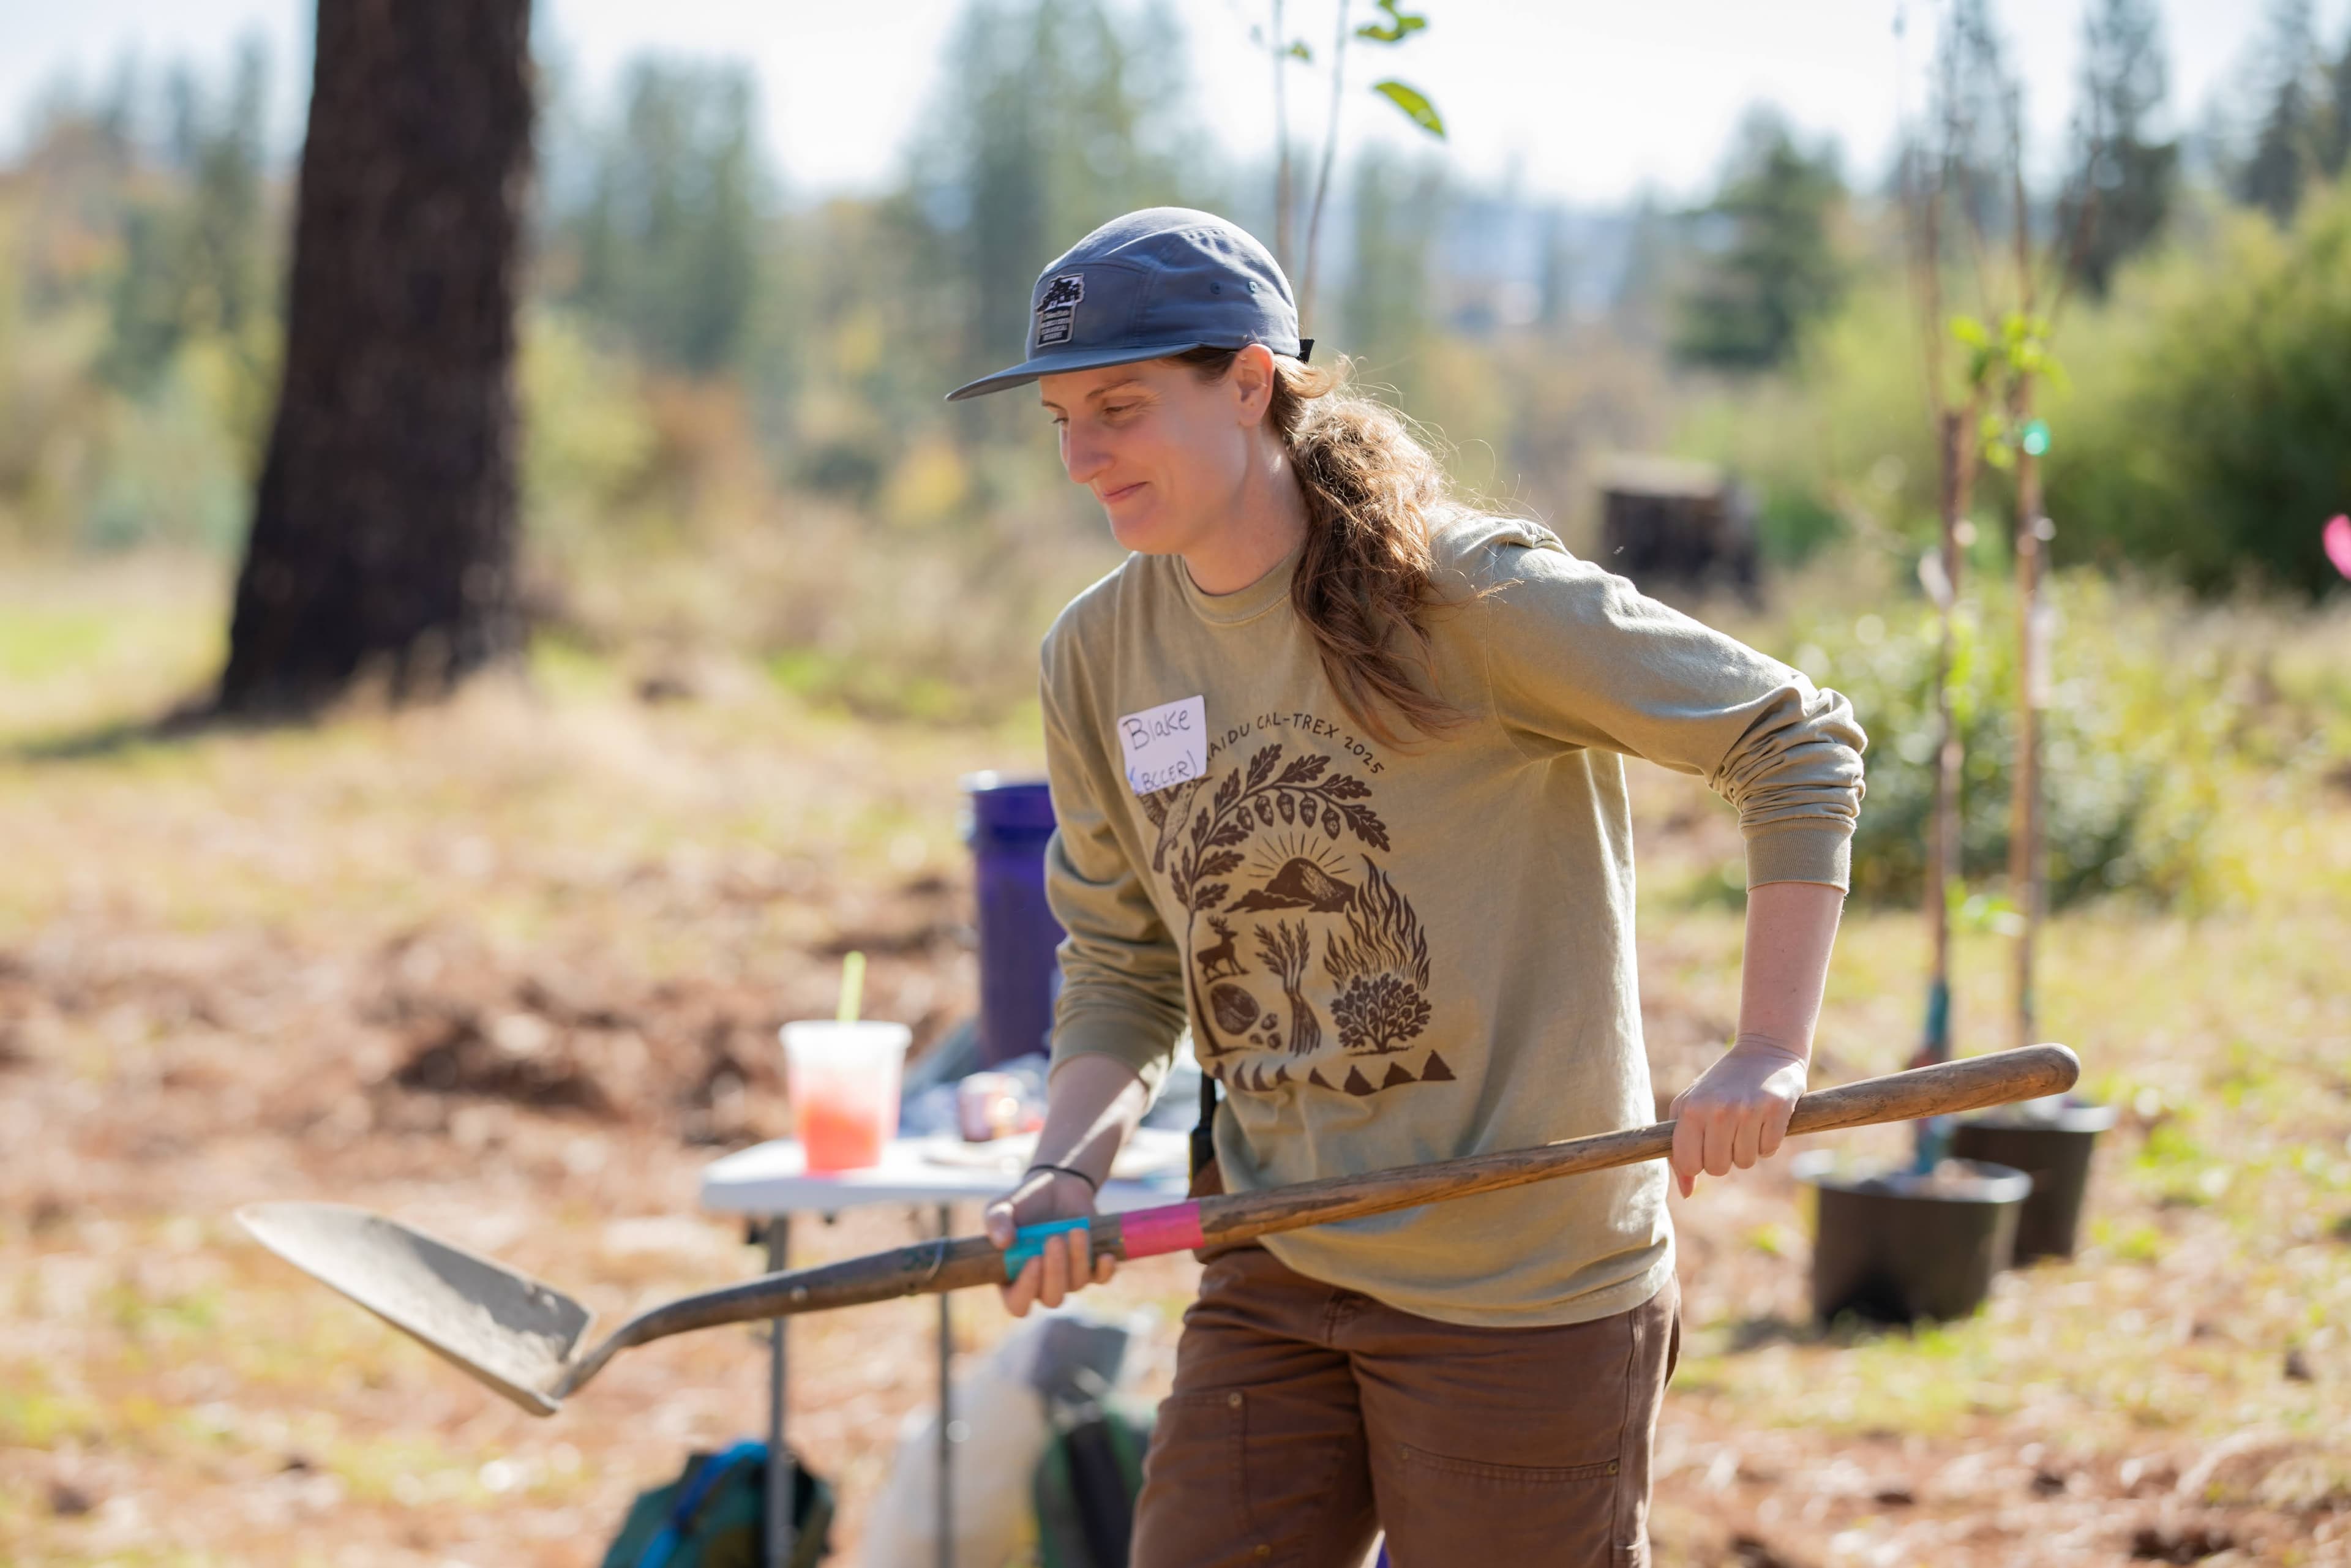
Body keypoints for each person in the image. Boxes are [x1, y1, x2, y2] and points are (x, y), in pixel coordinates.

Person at [958, 208, 1865, 1567]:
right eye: (1062, 420)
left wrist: (1769, 1049)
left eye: (1121, 408)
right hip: (1278, 1248)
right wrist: (1063, 1165)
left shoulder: (1464, 596)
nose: (1082, 456)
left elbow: (1793, 738)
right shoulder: (1098, 656)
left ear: (1249, 383)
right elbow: (1125, 960)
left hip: (1522, 1289)